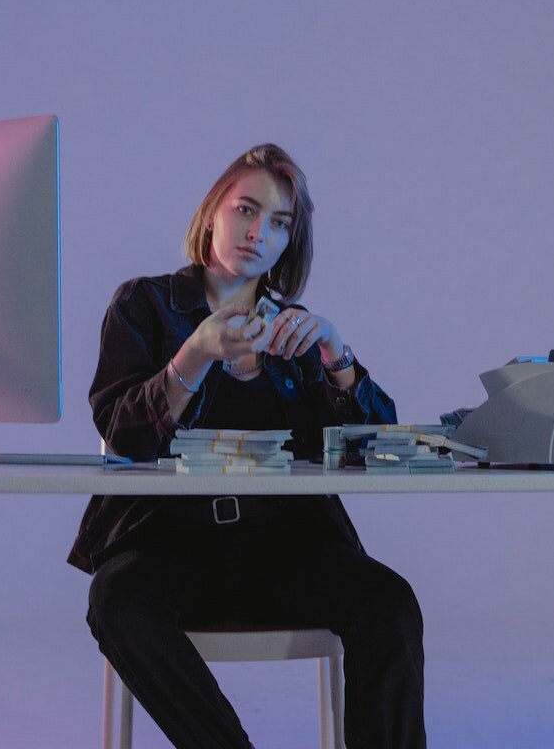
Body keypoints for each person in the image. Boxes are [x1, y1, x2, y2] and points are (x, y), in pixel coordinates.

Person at [68, 144, 425, 749]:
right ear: (213, 211)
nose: (259, 233)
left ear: (290, 242)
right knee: (116, 601)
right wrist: (193, 355)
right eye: (246, 210)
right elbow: (122, 437)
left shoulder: (296, 330)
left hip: (286, 543)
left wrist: (337, 356)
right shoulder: (144, 305)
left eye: (279, 223)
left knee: (389, 602)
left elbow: (375, 449)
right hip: (166, 542)